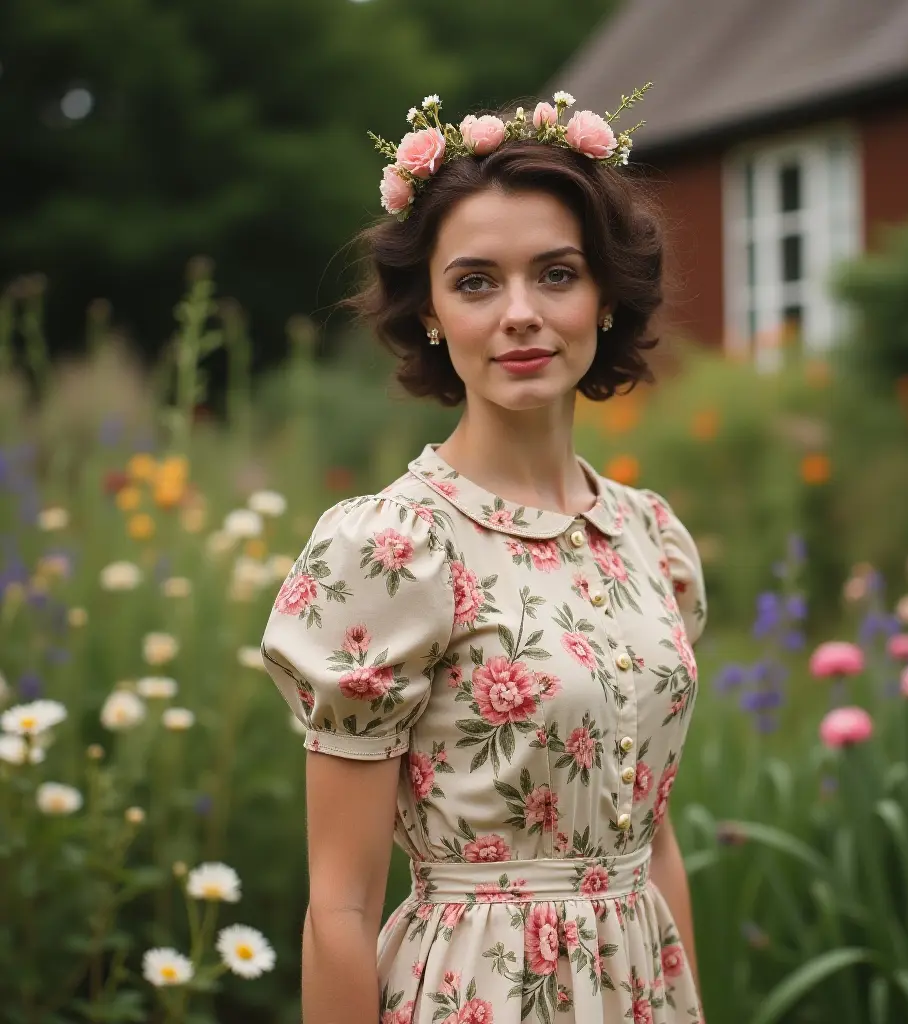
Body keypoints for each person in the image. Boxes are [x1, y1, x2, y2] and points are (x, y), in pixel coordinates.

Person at [260, 88, 708, 1024]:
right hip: (481, 991)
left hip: (642, 988)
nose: (520, 314)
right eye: (475, 281)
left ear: (605, 295)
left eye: (555, 274)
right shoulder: (389, 551)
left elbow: (653, 837)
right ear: (429, 310)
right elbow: (339, 906)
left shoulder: (648, 536)